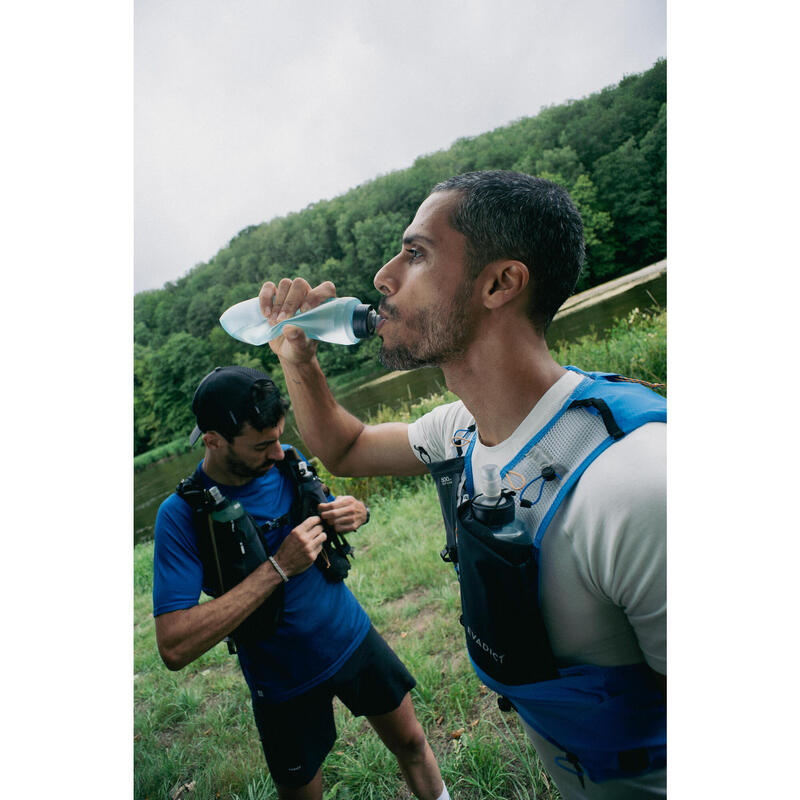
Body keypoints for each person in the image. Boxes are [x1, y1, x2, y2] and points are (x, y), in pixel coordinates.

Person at [258, 170, 667, 800]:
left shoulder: (638, 484)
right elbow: (345, 447)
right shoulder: (462, 432)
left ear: (500, 283)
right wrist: (298, 360)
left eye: (416, 253)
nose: (383, 277)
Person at [152, 366, 451, 800]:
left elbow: (331, 512)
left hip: (352, 638)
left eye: (278, 437)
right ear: (213, 439)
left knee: (412, 744)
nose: (277, 452)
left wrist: (356, 512)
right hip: (281, 682)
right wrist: (277, 568)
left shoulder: (288, 461)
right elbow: (174, 646)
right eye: (262, 445)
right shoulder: (180, 516)